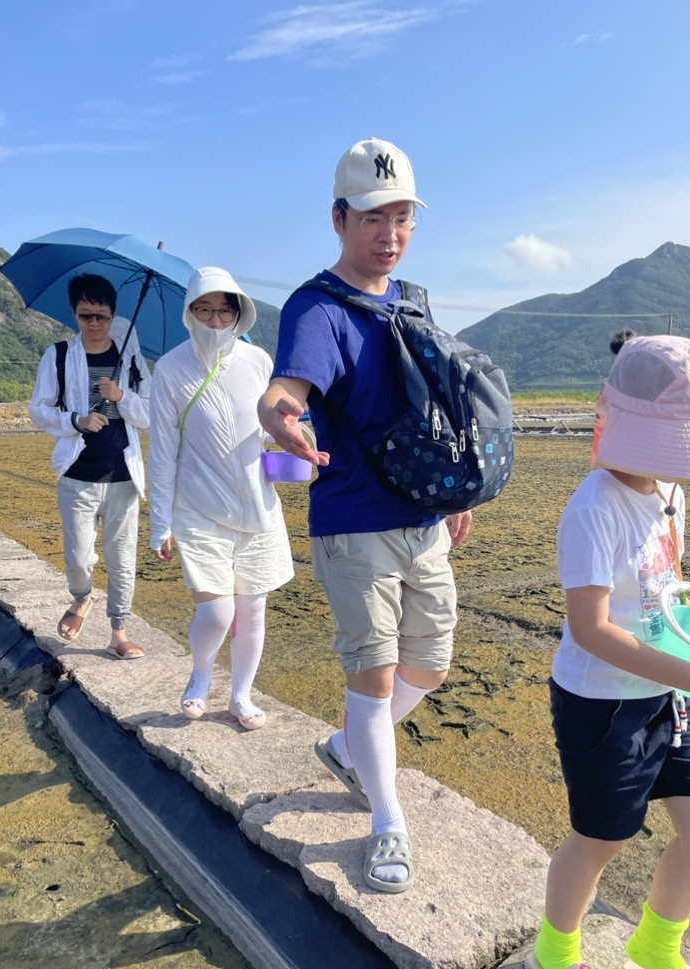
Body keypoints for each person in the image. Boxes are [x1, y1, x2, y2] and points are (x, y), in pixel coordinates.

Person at [526, 333, 690, 969]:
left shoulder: (669, 492)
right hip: (603, 703)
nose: (681, 462)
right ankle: (553, 950)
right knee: (602, 837)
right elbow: (592, 629)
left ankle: (656, 950)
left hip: (667, 691)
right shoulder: (594, 506)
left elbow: (661, 597)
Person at [258, 138, 472, 894]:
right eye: (374, 217)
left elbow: (434, 407)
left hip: (423, 518)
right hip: (353, 522)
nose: (389, 233)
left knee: (431, 666)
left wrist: (452, 492)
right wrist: (280, 416)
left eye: (403, 217)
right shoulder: (317, 308)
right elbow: (285, 391)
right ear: (339, 218)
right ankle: (387, 821)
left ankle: (348, 749)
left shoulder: (413, 300)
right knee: (374, 678)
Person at [149, 267, 293, 726]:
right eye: (204, 310)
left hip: (257, 506)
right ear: (190, 313)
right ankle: (201, 675)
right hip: (198, 508)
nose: (215, 321)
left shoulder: (258, 361)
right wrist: (160, 522)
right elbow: (163, 452)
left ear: (239, 313)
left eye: (225, 311)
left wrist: (293, 440)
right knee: (217, 612)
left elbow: (270, 428)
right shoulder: (170, 369)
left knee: (252, 612)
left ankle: (241, 695)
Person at [29, 273, 150, 658]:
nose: (94, 324)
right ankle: (82, 597)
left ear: (113, 314)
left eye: (101, 316)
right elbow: (38, 410)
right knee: (78, 558)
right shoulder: (59, 355)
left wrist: (122, 396)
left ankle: (119, 632)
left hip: (123, 475)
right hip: (77, 473)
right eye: (85, 316)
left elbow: (150, 415)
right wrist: (76, 420)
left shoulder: (130, 357)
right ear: (75, 314)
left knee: (122, 560)